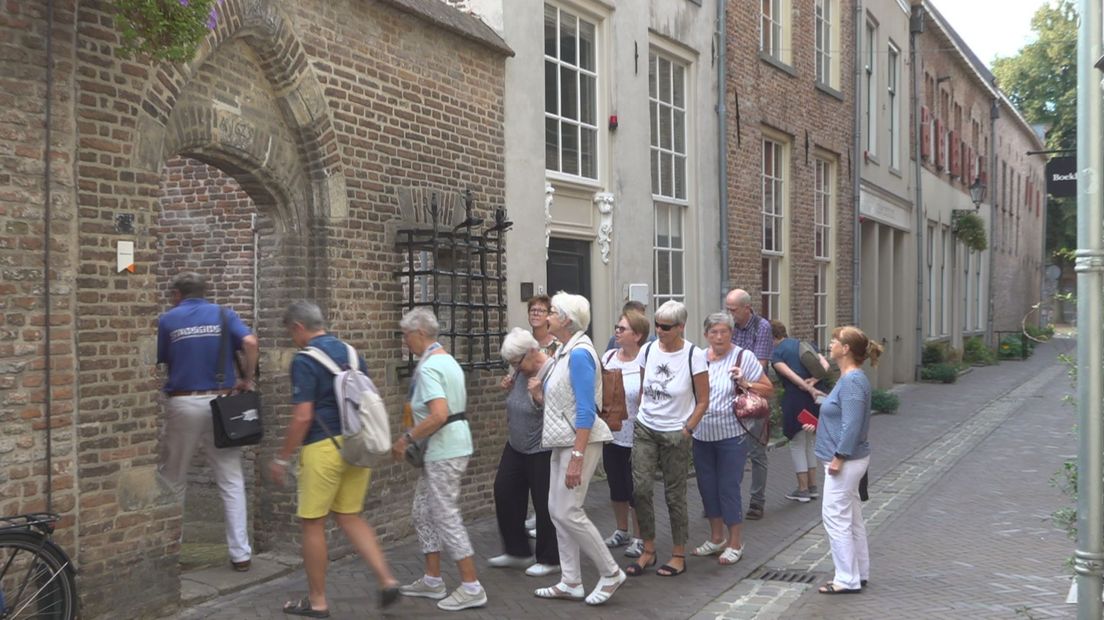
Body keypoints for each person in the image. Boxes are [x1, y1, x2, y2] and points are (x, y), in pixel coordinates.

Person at [271, 301, 400, 616]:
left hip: (322, 447)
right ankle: (387, 580)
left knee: (313, 523)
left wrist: (283, 457)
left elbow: (303, 416)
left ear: (299, 327)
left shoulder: (304, 360)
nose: (292, 338)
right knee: (350, 516)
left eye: (291, 332)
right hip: (357, 443)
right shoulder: (353, 354)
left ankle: (317, 602)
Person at [529, 292, 626, 605]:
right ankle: (571, 581)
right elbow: (563, 403)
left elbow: (586, 409)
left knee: (569, 510)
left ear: (566, 320)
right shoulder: (563, 351)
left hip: (577, 442)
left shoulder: (581, 354)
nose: (548, 316)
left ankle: (611, 572)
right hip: (562, 440)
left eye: (553, 312)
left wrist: (578, 457)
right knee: (557, 511)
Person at [156, 271, 257, 573]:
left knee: (173, 476)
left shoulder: (168, 319)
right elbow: (251, 342)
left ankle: (171, 549)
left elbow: (162, 358)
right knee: (230, 478)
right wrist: (247, 379)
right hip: (221, 402)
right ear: (205, 291)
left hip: (184, 401)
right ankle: (240, 554)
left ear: (178, 294)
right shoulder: (225, 315)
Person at [391, 308, 487, 611]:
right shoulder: (448, 360)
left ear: (420, 334)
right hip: (446, 447)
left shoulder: (432, 367)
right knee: (422, 511)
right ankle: (433, 580)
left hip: (445, 449)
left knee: (445, 514)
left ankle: (471, 586)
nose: (406, 342)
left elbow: (439, 414)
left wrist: (407, 438)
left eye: (407, 336)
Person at [627, 300, 708, 578]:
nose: (659, 330)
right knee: (640, 489)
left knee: (674, 495)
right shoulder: (647, 350)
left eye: (666, 327)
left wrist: (687, 429)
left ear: (681, 327)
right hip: (646, 428)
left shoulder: (693, 355)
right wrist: (641, 414)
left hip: (676, 432)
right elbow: (642, 389)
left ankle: (678, 553)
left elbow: (703, 400)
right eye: (657, 325)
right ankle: (648, 550)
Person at [691, 313, 773, 566]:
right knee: (707, 487)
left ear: (731, 334)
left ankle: (735, 542)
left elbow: (768, 388)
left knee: (728, 486)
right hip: (702, 434)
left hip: (731, 435)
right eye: (714, 332)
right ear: (706, 335)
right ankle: (716, 538)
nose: (719, 337)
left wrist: (745, 382)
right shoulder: (697, 358)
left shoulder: (742, 357)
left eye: (724, 331)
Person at [805, 326, 882, 594]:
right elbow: (843, 416)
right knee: (851, 518)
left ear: (846, 349)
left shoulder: (851, 381)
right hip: (849, 458)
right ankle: (859, 572)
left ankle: (846, 578)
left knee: (835, 518)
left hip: (845, 461)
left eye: (835, 341)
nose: (830, 344)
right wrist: (820, 417)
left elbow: (852, 424)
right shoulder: (849, 378)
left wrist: (839, 457)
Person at [488, 328, 560, 577]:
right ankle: (517, 552)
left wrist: (540, 397)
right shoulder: (520, 369)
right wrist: (509, 386)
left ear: (532, 352)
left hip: (541, 448)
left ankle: (550, 559)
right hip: (516, 445)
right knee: (504, 491)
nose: (515, 368)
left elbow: (562, 410)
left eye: (516, 362)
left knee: (543, 504)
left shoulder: (552, 370)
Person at [601, 309, 648, 558]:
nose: (617, 332)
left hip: (637, 435)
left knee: (635, 490)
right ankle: (622, 530)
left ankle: (640, 537)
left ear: (637, 335)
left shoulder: (645, 361)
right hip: (611, 433)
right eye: (617, 328)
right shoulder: (608, 357)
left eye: (622, 329)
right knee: (616, 485)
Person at [724, 288, 773, 520]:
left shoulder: (761, 327)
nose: (729, 314)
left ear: (746, 308)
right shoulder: (729, 326)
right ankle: (725, 500)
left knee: (756, 451)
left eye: (733, 310)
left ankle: (757, 501)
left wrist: (744, 377)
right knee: (730, 451)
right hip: (731, 394)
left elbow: (760, 365)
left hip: (753, 394)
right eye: (727, 309)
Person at [770, 320, 830, 503]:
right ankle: (813, 487)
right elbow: (825, 365)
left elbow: (790, 376)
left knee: (796, 443)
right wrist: (813, 381)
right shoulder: (805, 344)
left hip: (796, 399)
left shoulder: (777, 353)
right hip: (815, 399)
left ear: (772, 337)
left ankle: (802, 489)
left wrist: (806, 386)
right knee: (810, 442)